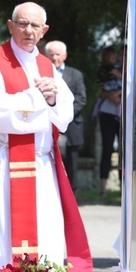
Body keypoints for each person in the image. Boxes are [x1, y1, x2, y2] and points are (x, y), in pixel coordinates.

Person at [0, 2, 93, 272]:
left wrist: (51, 99)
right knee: (4, 231)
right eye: (22, 24)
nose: (28, 30)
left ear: (44, 31)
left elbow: (65, 114)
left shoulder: (45, 64)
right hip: (5, 162)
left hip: (41, 163)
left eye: (34, 26)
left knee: (46, 229)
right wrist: (37, 99)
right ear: (10, 26)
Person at [45, 40, 87, 192]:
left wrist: (63, 116)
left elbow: (81, 99)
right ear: (45, 55)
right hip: (47, 127)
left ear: (65, 56)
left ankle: (72, 201)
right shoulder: (41, 73)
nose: (55, 58)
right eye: (51, 55)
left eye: (58, 54)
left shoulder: (75, 75)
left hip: (72, 127)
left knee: (71, 167)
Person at [93, 46, 122, 195]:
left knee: (123, 150)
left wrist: (118, 93)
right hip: (107, 112)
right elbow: (100, 90)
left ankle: (123, 187)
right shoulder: (102, 70)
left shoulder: (122, 68)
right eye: (112, 56)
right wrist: (111, 95)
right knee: (107, 148)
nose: (115, 58)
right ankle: (103, 188)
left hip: (121, 111)